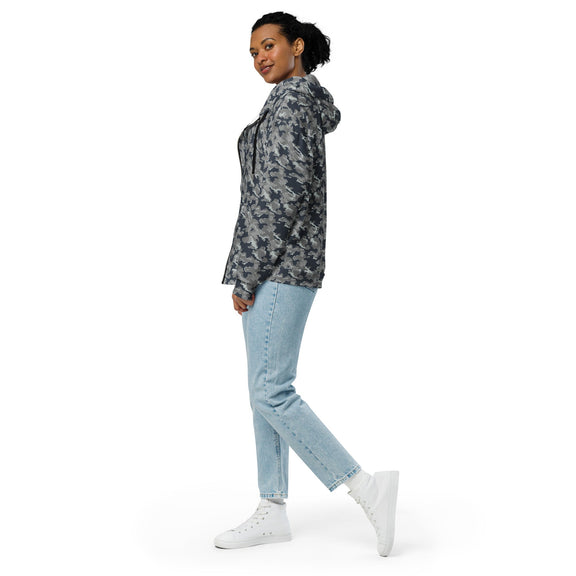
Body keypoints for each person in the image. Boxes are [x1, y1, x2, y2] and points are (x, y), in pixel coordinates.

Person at [217, 11, 399, 557]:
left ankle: (365, 487)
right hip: (277, 263)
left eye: (269, 45)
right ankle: (271, 508)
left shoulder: (293, 102)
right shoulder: (289, 102)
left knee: (272, 391)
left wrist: (248, 273)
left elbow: (280, 198)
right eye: (253, 52)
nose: (260, 58)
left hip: (281, 265)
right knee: (264, 392)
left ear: (297, 46)